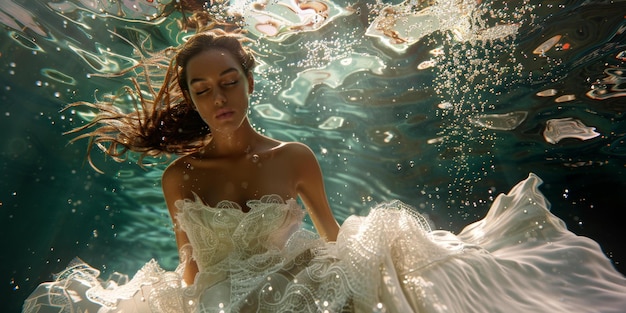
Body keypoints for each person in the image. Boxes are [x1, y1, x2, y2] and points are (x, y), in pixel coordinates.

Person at [23, 26, 626, 313]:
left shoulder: (293, 158)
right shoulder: (178, 176)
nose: (219, 98)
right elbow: (188, 264)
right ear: (190, 98)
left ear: (249, 81)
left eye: (229, 82)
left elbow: (333, 238)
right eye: (202, 90)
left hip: (293, 290)